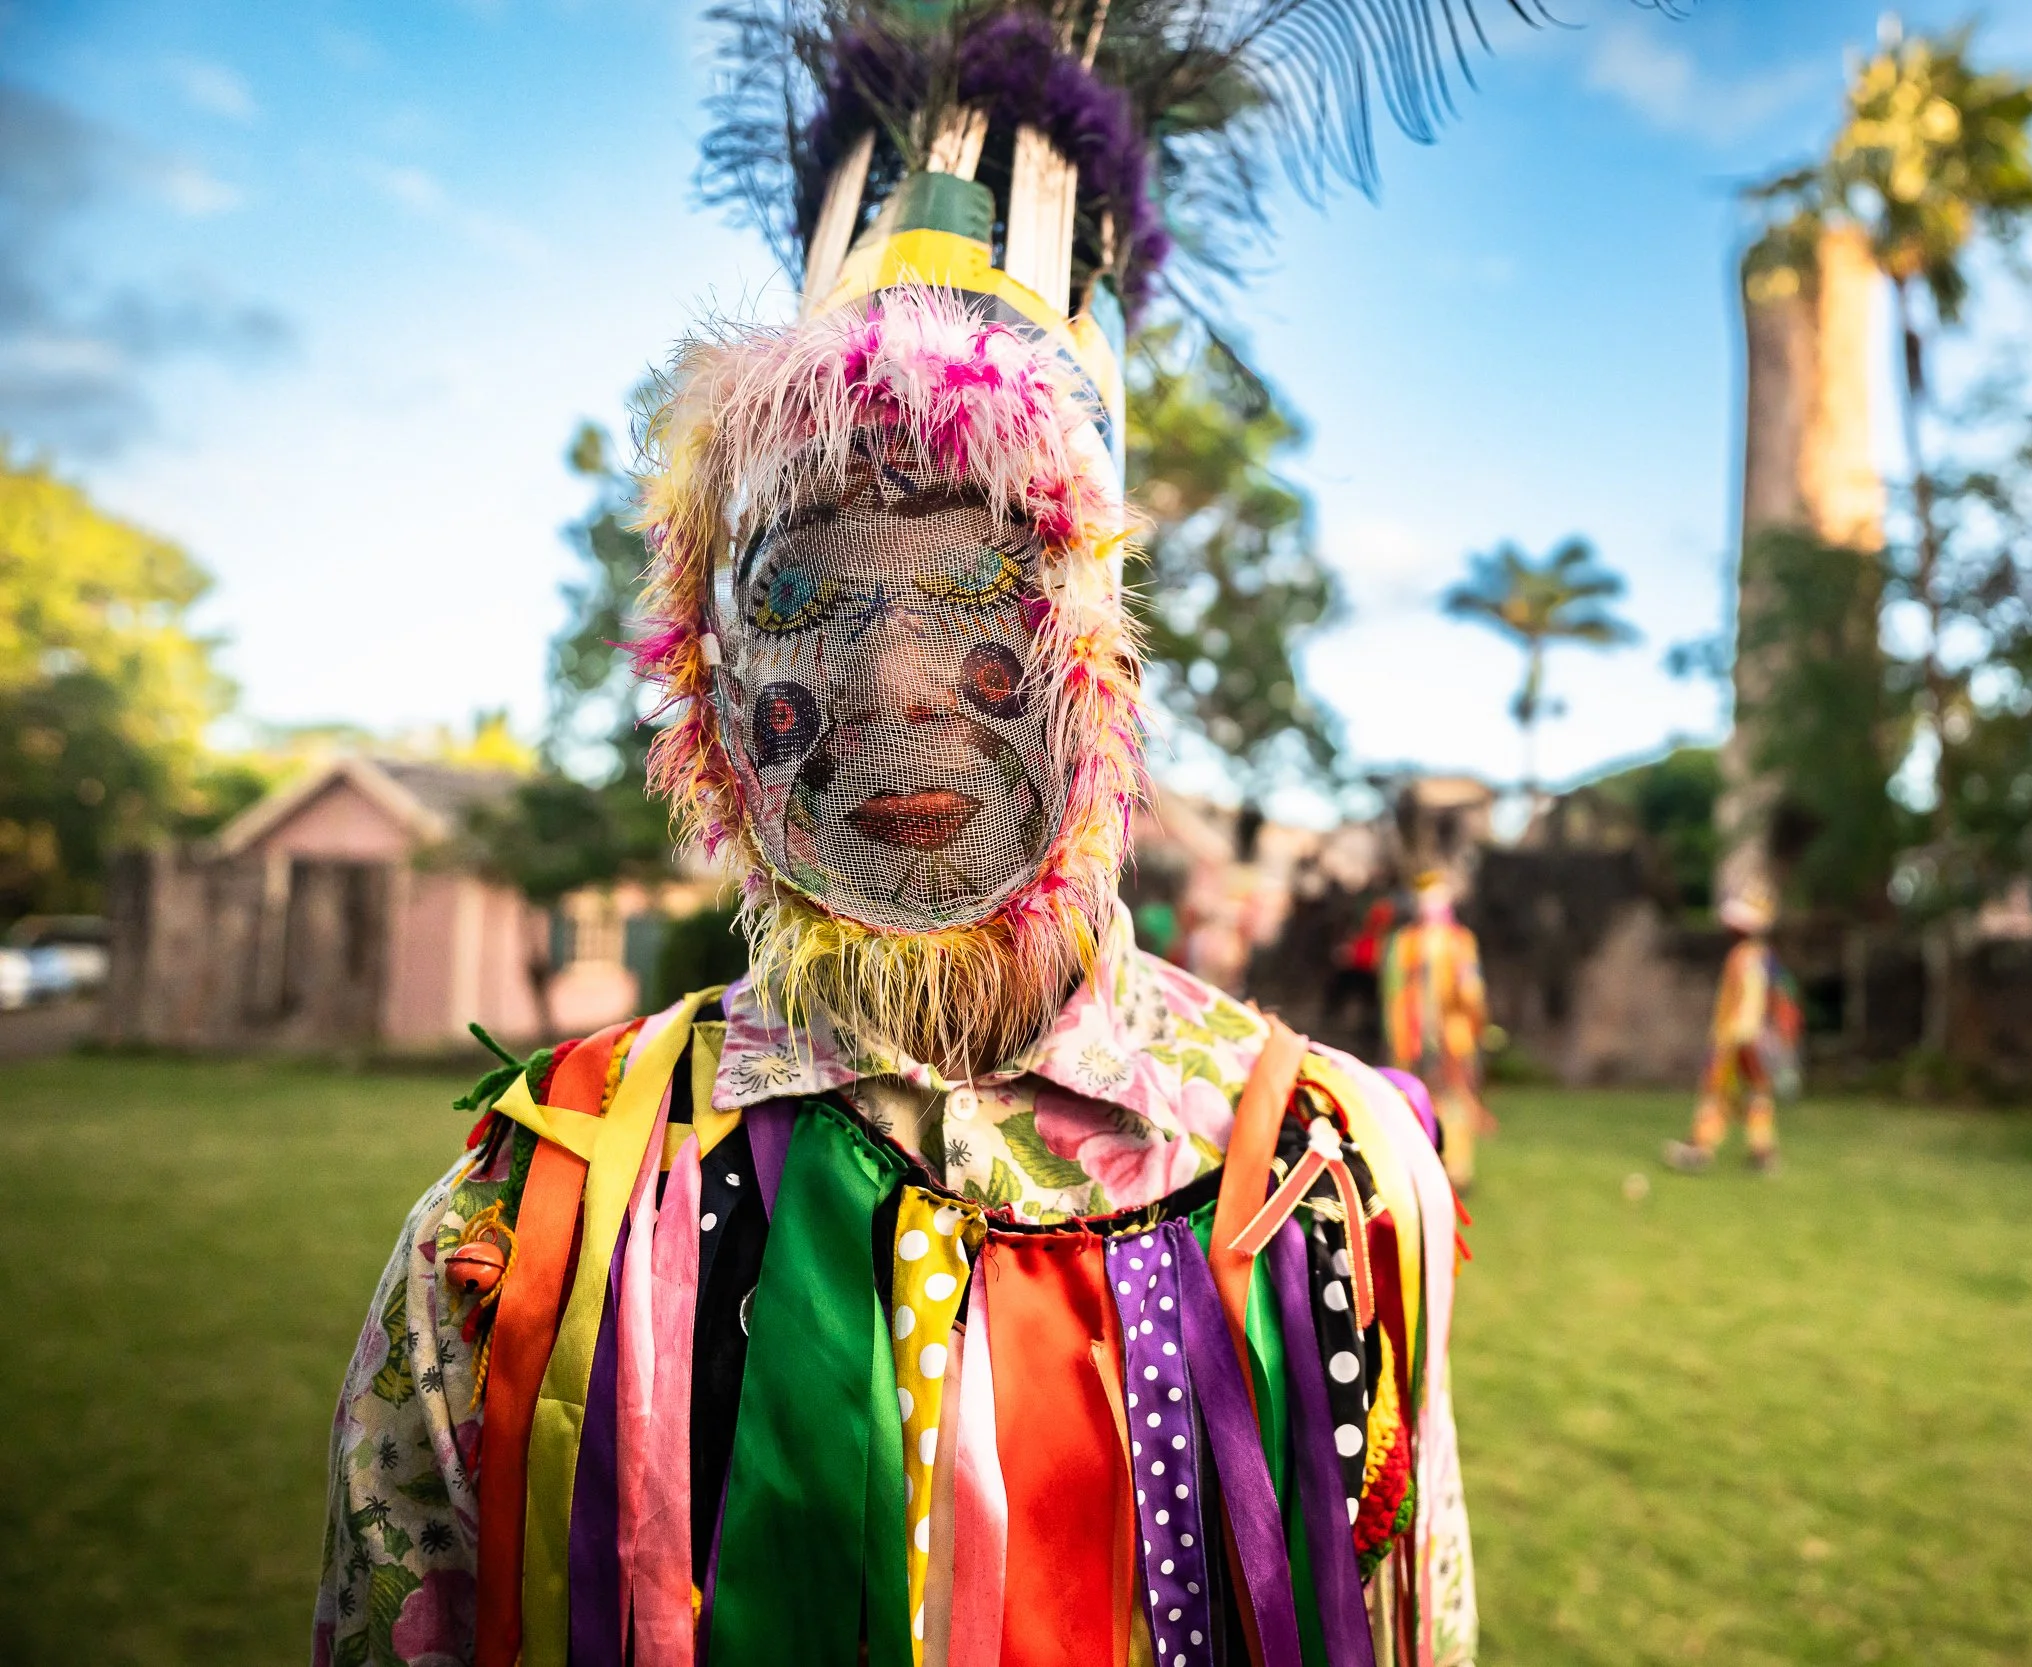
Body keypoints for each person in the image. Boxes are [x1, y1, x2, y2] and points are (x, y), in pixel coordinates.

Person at [309, 11, 1499, 1663]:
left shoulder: (1331, 1182)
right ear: (710, 690)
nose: (892, 686)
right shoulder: (518, 1231)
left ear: (1109, 659)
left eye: (978, 584)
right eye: (800, 593)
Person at [1666, 879, 1801, 1176]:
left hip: (1738, 1038)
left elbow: (1749, 1002)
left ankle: (1700, 1147)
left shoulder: (1745, 957)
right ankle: (1763, 1152)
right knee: (1756, 1095)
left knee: (1717, 1093)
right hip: (1755, 1038)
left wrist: (1732, 1039)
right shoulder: (1766, 958)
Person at [1380, 875, 1491, 1192]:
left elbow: (1473, 991)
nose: (1430, 906)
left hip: (1450, 1039)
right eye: (1425, 899)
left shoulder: (1459, 942)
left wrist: (1468, 1006)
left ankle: (1456, 1168)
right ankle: (1416, 1164)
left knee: (1455, 1100)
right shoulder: (1403, 943)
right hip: (1411, 1039)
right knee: (1414, 1098)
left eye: (1437, 898)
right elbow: (1393, 991)